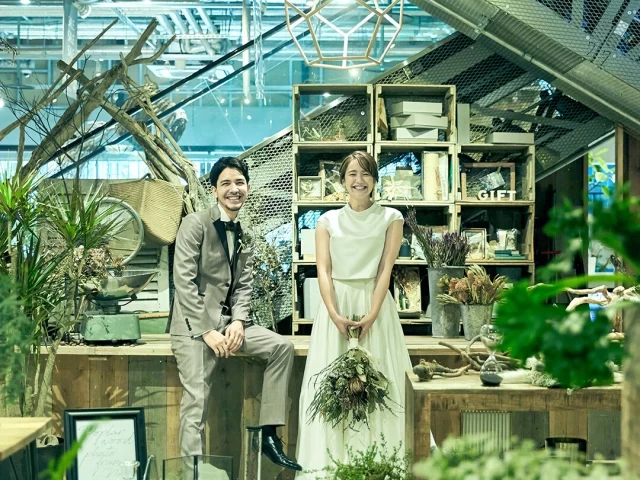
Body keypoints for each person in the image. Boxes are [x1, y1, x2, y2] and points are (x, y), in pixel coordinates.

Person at [295, 151, 435, 478]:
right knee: (332, 387)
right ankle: (333, 466)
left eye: (366, 174)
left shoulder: (391, 218)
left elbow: (386, 268)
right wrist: (334, 315)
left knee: (385, 382)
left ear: (374, 179)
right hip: (335, 307)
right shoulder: (327, 221)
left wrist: (372, 313)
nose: (359, 180)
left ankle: (386, 464)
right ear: (342, 181)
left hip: (377, 306)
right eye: (352, 174)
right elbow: (323, 271)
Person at [168, 156, 302, 472]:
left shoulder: (247, 234)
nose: (234, 189)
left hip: (229, 326)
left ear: (248, 188)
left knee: (282, 347)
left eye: (239, 182)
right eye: (226, 183)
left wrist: (239, 321)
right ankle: (194, 474)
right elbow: (183, 282)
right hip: (193, 328)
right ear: (214, 190)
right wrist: (207, 331)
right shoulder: (194, 224)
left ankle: (268, 434)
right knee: (196, 403)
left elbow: (243, 286)